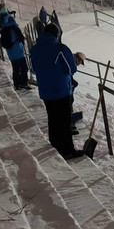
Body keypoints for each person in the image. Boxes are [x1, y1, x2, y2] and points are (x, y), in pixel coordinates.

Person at [30, 23, 83, 160]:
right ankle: (67, 151)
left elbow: (33, 69)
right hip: (61, 90)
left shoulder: (35, 49)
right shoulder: (60, 49)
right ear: (56, 34)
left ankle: (55, 144)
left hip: (46, 91)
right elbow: (71, 69)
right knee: (64, 120)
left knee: (53, 118)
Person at [0, 14, 30, 90]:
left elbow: (3, 43)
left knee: (16, 69)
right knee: (24, 68)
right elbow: (21, 39)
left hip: (12, 53)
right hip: (19, 52)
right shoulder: (15, 28)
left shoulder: (4, 30)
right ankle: (24, 83)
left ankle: (17, 84)